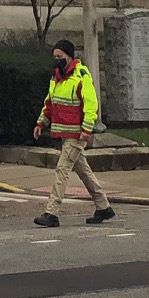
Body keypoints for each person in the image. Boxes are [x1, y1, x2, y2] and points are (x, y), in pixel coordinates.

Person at [31, 38, 115, 228]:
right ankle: (103, 206)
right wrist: (41, 123)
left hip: (76, 136)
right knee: (84, 172)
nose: (56, 60)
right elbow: (50, 103)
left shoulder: (81, 76)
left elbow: (91, 105)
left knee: (62, 170)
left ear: (69, 57)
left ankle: (52, 212)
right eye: (55, 57)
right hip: (66, 135)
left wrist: (86, 130)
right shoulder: (56, 77)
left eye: (59, 57)